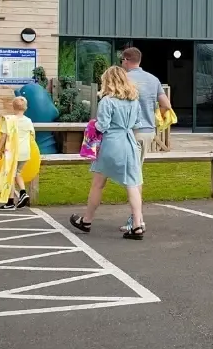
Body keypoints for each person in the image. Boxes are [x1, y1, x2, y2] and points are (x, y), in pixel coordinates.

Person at [69, 66, 147, 240]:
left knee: (98, 183)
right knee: (133, 184)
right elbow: (137, 123)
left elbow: (102, 126)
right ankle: (137, 225)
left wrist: (92, 125)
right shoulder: (134, 100)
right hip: (129, 143)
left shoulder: (107, 101)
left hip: (111, 143)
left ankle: (87, 220)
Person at [118, 47, 171, 234]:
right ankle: (136, 218)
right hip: (148, 130)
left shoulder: (124, 79)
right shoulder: (153, 79)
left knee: (133, 176)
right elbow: (166, 105)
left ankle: (137, 220)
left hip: (131, 131)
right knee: (136, 172)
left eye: (121, 61)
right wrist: (157, 116)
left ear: (126, 60)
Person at [0, 96, 35, 209]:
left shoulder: (9, 120)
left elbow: (3, 136)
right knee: (17, 173)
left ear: (13, 107)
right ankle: (23, 193)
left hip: (12, 152)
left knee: (10, 176)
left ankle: (10, 201)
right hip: (25, 152)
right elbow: (32, 136)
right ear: (25, 108)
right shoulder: (28, 121)